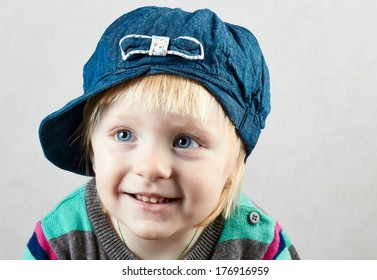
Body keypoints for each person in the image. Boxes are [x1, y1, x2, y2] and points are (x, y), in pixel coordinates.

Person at [22, 6, 299, 260]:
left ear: (233, 165)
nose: (150, 168)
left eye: (184, 141)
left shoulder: (260, 250)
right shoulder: (60, 242)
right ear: (92, 150)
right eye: (124, 135)